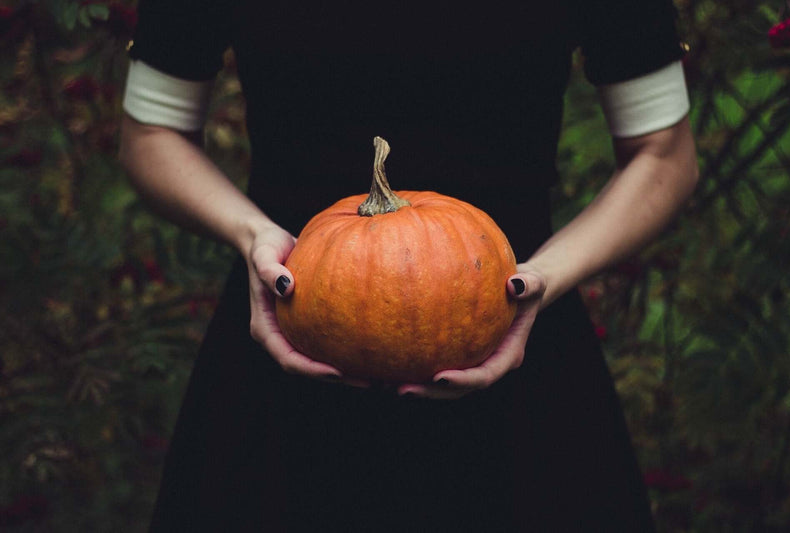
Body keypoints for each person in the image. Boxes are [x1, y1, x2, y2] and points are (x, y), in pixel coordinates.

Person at [119, 0, 698, 530]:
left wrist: (544, 277)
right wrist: (253, 236)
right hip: (288, 324)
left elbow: (664, 154)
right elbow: (151, 132)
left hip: (516, 332)